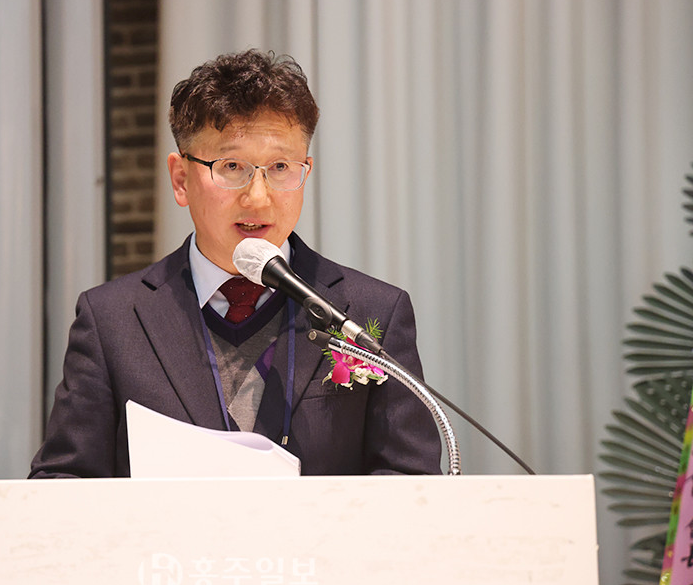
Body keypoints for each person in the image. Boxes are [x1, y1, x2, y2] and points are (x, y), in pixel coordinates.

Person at [29, 50, 441, 478]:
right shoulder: (112, 321)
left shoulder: (371, 312)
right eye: (231, 166)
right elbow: (61, 484)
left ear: (306, 171)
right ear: (181, 179)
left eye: (280, 167)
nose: (258, 197)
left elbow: (411, 484)